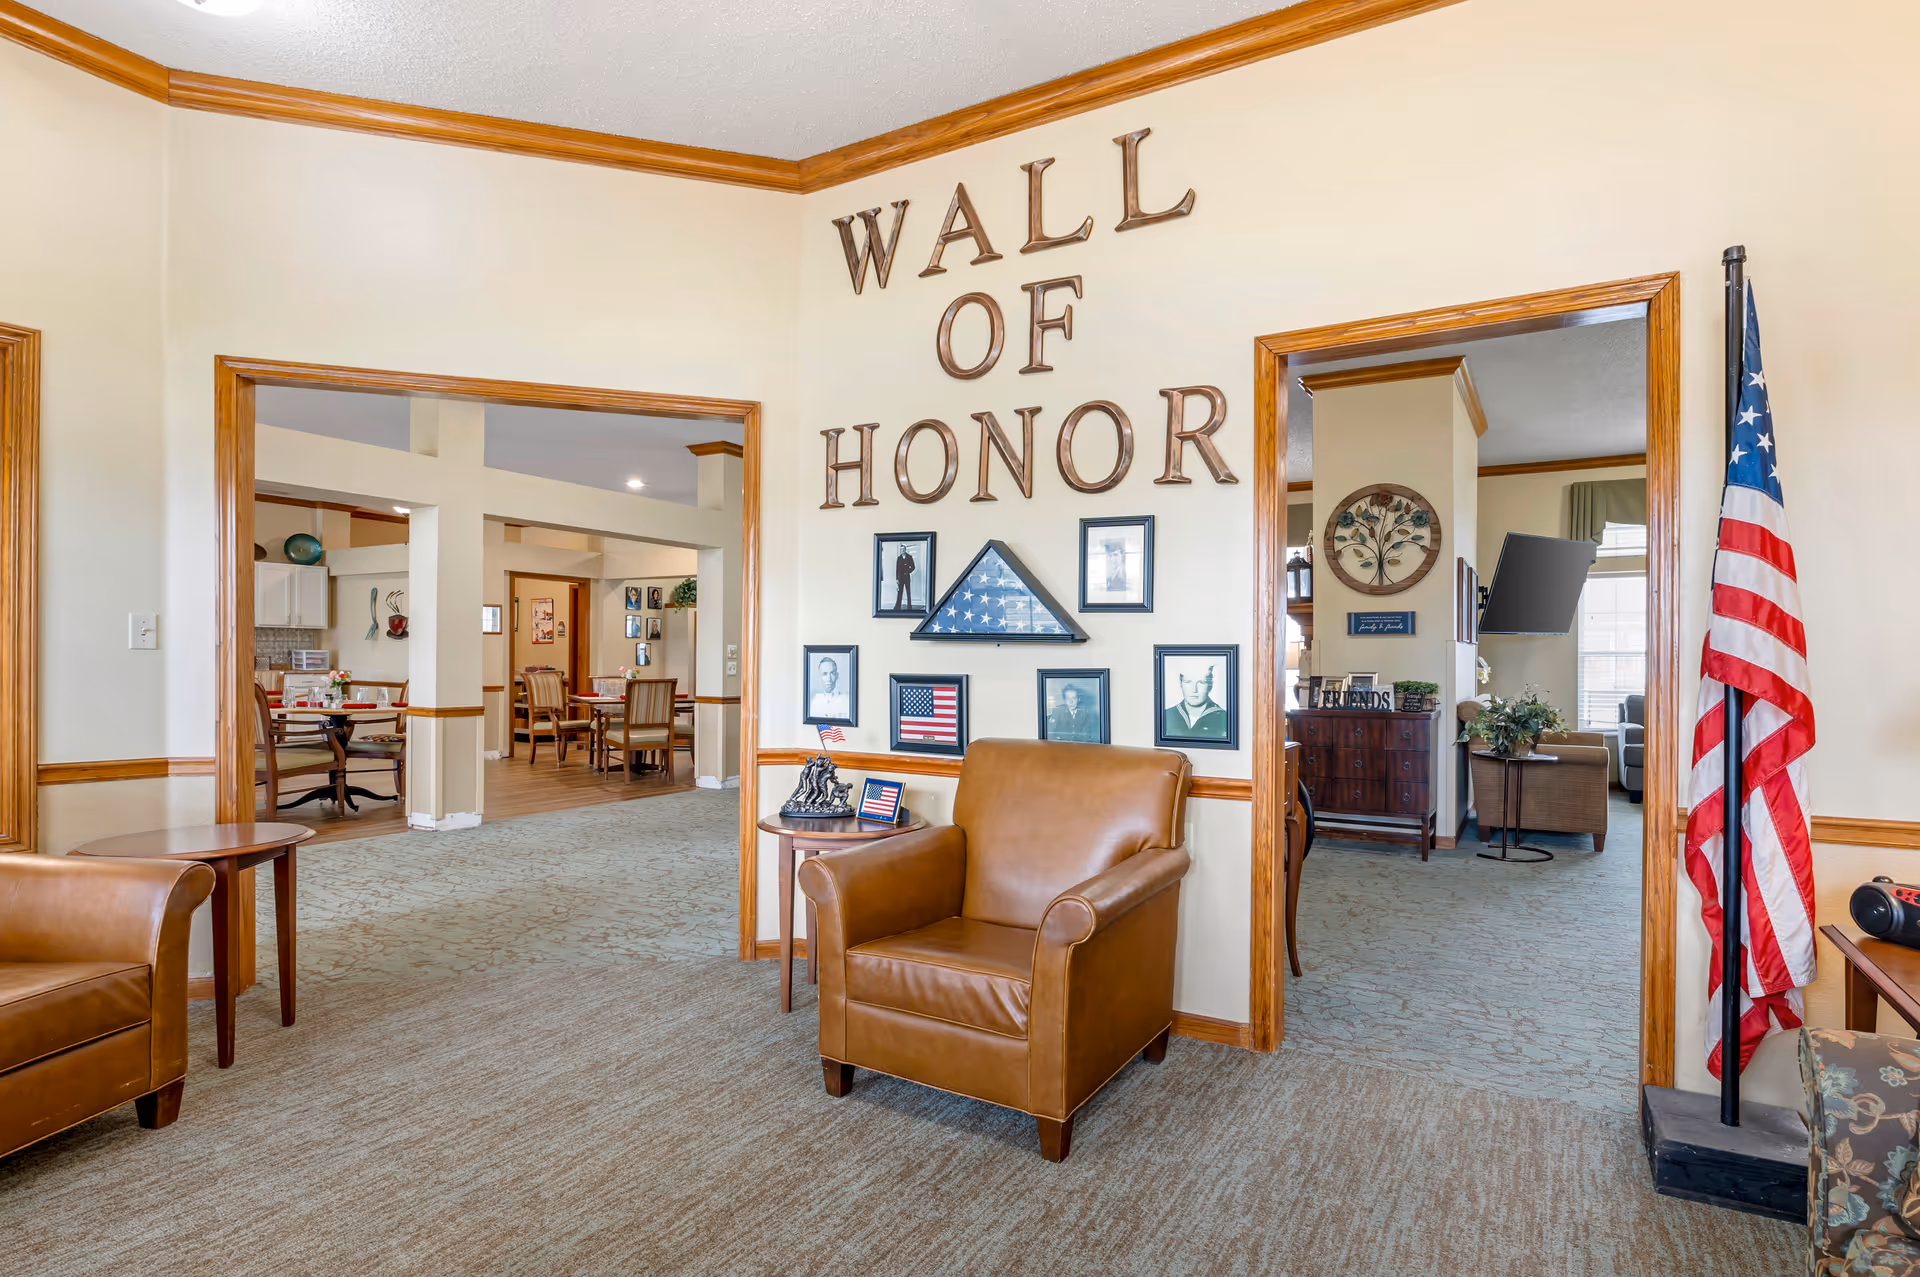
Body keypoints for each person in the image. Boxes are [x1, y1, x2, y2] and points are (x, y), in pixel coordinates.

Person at [1164, 666, 1228, 739]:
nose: (1194, 690)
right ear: (1180, 683)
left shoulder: (1225, 719)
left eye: (1201, 682)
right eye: (1188, 682)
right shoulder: (1166, 716)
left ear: (1211, 685)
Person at [809, 656, 849, 721]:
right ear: (820, 677)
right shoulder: (814, 702)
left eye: (832, 673)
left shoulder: (846, 700)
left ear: (837, 675)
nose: (829, 679)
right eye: (825, 674)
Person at [893, 544, 917, 611]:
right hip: (900, 578)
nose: (902, 550)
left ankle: (909, 607)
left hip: (907, 577)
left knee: (908, 592)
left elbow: (913, 567)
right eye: (901, 550)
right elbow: (897, 569)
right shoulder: (899, 558)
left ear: (905, 549)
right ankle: (898, 606)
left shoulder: (909, 557)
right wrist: (897, 579)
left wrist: (907, 571)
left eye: (903, 549)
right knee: (900, 592)